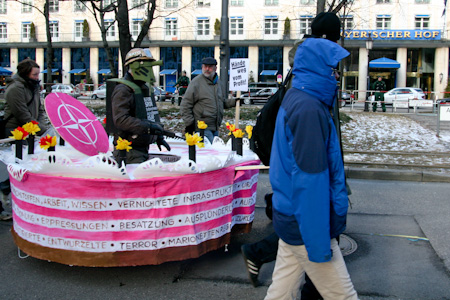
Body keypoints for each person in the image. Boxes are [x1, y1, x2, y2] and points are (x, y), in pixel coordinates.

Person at [264, 12, 358, 300]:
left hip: (293, 216)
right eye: (333, 68)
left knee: (281, 293)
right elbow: (310, 180)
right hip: (307, 226)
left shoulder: (302, 98)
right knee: (344, 296)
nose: (337, 74)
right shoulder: (309, 110)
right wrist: (319, 243)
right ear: (320, 67)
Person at [111, 48, 170, 164]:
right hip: (129, 151)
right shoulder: (123, 90)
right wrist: (148, 127)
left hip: (141, 148)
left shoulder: (144, 89)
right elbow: (121, 119)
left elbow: (149, 114)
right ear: (136, 66)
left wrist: (158, 136)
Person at [180, 57, 236, 144]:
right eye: (205, 66)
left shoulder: (218, 83)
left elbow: (222, 102)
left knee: (213, 152)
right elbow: (186, 104)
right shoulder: (196, 82)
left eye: (210, 67)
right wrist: (189, 124)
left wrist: (236, 102)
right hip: (202, 127)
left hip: (215, 127)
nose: (207, 69)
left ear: (215, 68)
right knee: (209, 152)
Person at [3, 58, 48, 136]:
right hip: (16, 130)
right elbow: (22, 114)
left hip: (31, 129)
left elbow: (40, 110)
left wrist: (41, 126)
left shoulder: (33, 86)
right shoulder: (15, 88)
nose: (37, 78)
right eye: (34, 75)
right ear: (25, 74)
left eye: (38, 74)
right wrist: (41, 130)